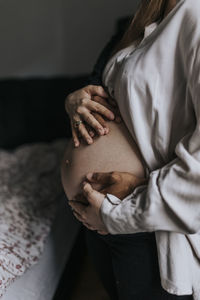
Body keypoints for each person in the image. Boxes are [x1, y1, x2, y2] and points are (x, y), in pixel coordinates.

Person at [62, 0, 200, 299]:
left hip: (145, 223)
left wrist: (118, 214)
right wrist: (74, 100)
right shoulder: (147, 20)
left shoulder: (196, 15)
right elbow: (100, 91)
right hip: (103, 218)